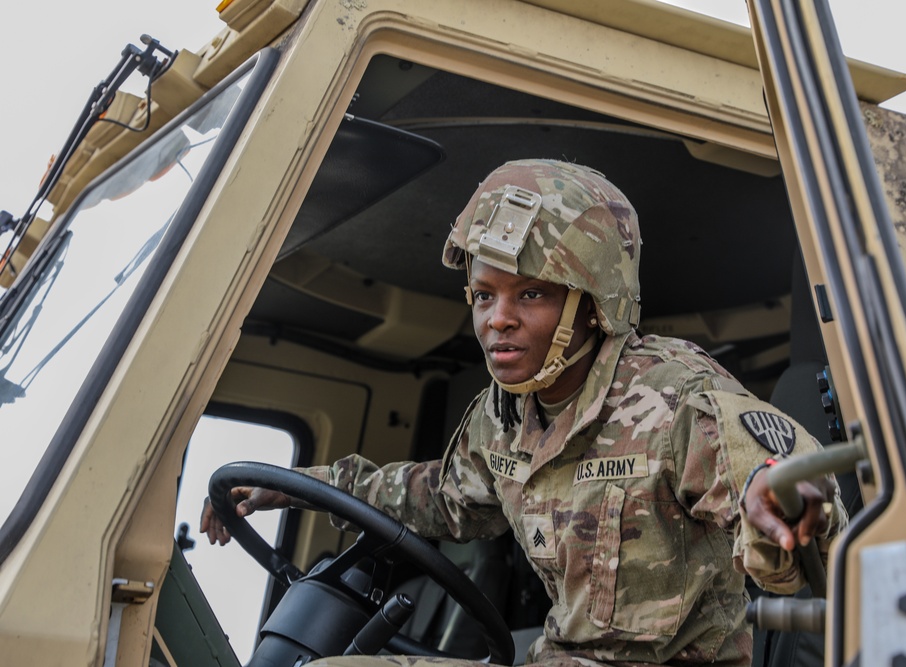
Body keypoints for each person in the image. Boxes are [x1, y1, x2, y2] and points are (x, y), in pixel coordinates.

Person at [202, 159, 845, 667]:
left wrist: (778, 494)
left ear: (593, 305)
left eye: (530, 294)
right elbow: (442, 498)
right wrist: (303, 488)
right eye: (484, 296)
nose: (497, 319)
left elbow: (772, 467)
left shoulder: (673, 393)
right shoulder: (503, 414)